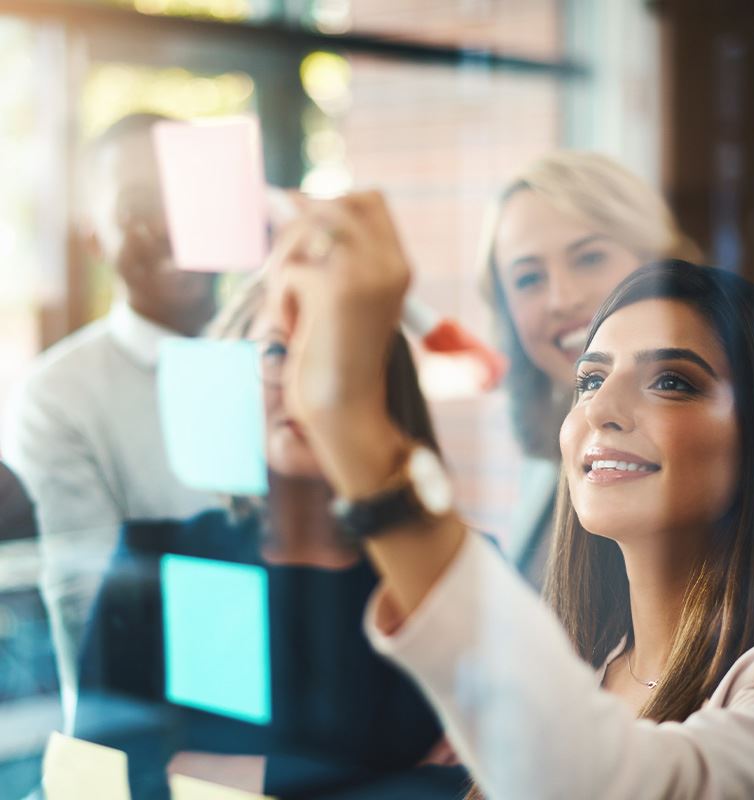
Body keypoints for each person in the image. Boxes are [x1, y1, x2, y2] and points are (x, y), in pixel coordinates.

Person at [269, 192, 754, 799]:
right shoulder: (585, 668)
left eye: (671, 381)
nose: (599, 408)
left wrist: (355, 427)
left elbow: (625, 784)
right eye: (591, 379)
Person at [73, 272, 468, 800]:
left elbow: (474, 782)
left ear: (385, 382)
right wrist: (381, 780)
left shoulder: (447, 571)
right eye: (278, 352)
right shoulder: (159, 560)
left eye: (337, 351)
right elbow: (107, 777)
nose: (305, 382)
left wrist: (218, 775)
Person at [2, 113, 220, 728]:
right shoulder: (56, 397)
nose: (171, 223)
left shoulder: (284, 359)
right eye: (136, 208)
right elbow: (94, 623)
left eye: (189, 195)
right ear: (95, 238)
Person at [479, 151, 701, 586]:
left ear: (658, 261)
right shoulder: (555, 456)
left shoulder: (715, 457)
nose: (562, 298)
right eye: (529, 279)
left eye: (589, 258)